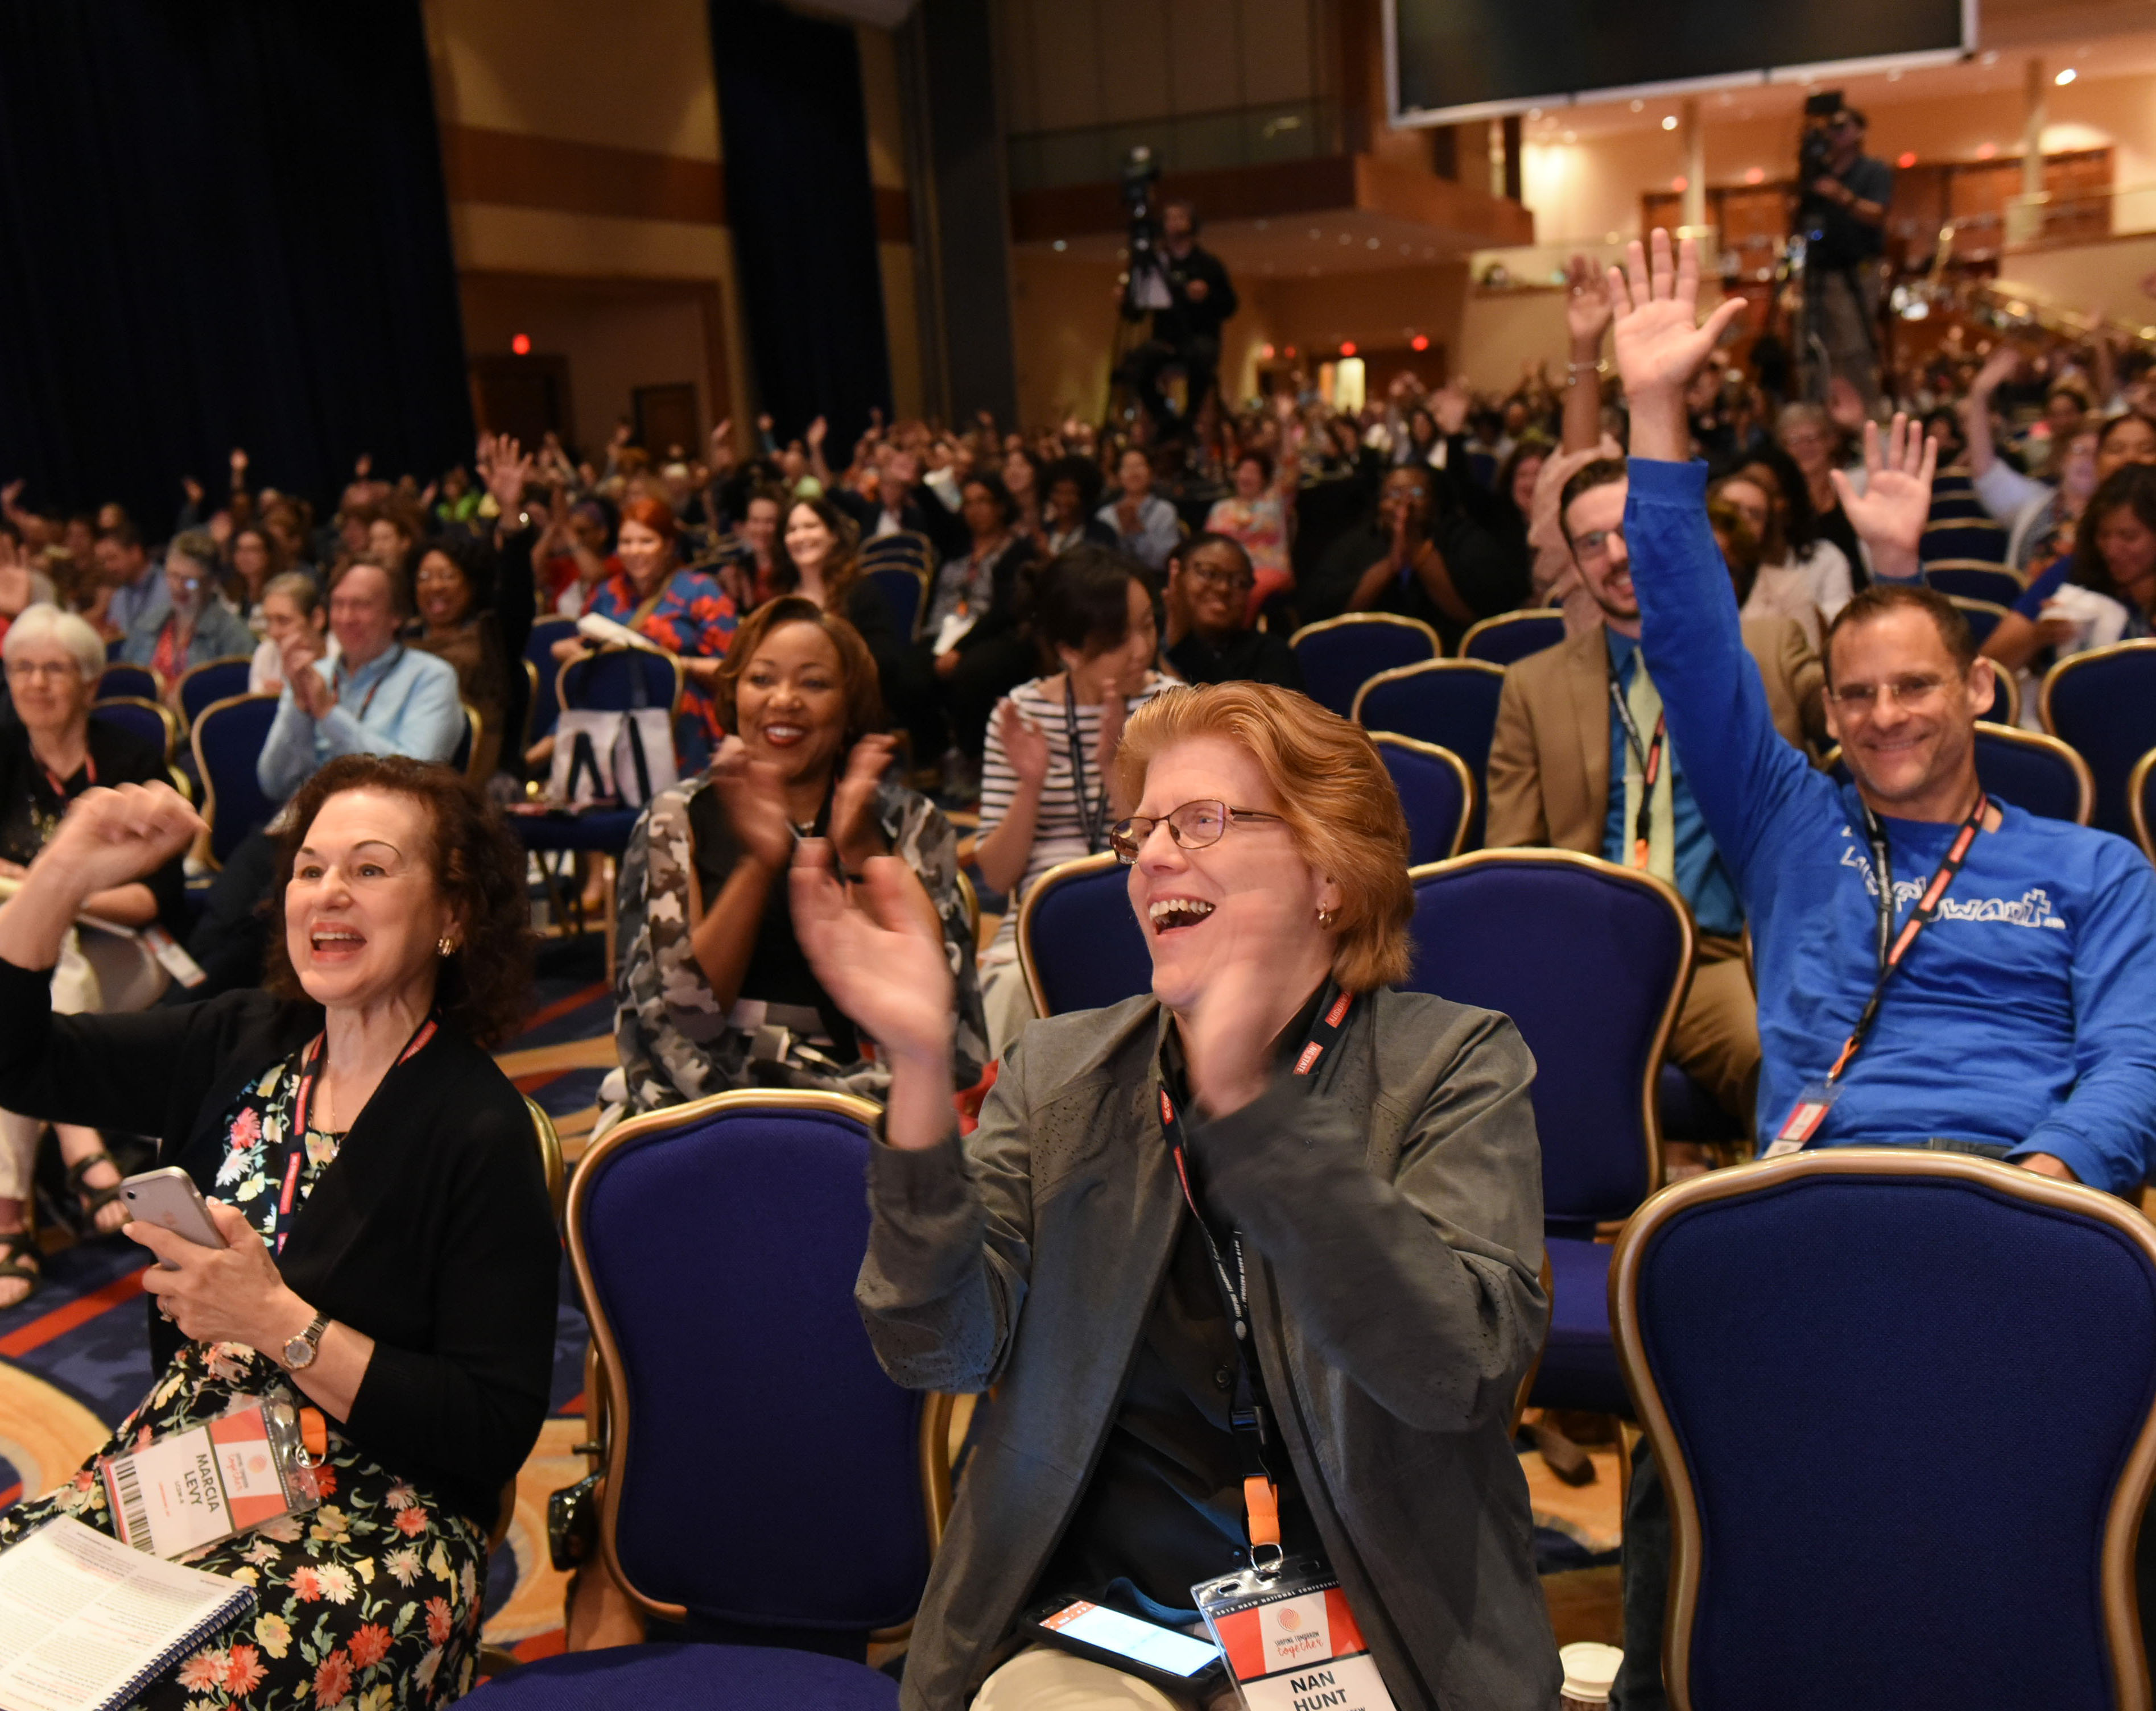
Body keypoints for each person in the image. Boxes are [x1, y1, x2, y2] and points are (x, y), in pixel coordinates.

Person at [1604, 232, 2156, 1706]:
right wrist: (1654, 419)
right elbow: (1685, 641)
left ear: (1975, 690)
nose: (1883, 715)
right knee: (1683, 1353)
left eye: (1913, 685)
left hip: (2011, 1193)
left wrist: (2051, 1173)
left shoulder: (2088, 868)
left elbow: (2133, 1059)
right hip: (1811, 1186)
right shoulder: (1790, 825)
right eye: (1853, 695)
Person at [789, 679, 1558, 1710]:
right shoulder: (1063, 1070)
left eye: (1201, 821)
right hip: (1106, 1630)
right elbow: (939, 1347)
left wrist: (1255, 1114)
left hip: (1373, 1622)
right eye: (1141, 829)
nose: (1151, 856)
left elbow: (1452, 1372)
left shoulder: (1451, 1066)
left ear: (1330, 870)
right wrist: (922, 1076)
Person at [0, 755, 557, 1707]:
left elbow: (488, 1428)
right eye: (308, 866)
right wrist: (60, 873)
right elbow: (18, 1060)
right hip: (187, 1466)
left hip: (379, 1517)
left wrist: (278, 1320)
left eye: (372, 867)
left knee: (174, 1689)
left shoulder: (480, 1127)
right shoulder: (239, 1040)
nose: (328, 889)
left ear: (453, 910)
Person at [1487, 456, 1826, 1129]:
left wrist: (1896, 558)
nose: (1615, 554)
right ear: (1577, 566)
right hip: (1594, 958)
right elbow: (1512, 861)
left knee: (1787, 1072)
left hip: (1718, 958)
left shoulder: (1768, 644)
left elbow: (1873, 721)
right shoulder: (1534, 685)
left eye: (1628, 528)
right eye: (1591, 542)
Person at [614, 596, 985, 1113]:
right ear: (735, 692)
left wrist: (860, 847)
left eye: (813, 683)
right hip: (708, 1095)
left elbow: (936, 1000)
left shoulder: (907, 821)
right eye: (761, 679)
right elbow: (691, 1017)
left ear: (850, 706)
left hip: (876, 1094)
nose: (783, 700)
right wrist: (759, 864)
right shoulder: (676, 816)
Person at [0, 607, 188, 1304]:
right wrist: (50, 897)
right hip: (42, 959)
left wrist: (50, 889)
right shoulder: (0, 754)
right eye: (23, 667)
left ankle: (7, 1218)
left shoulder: (129, 760)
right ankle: (79, 1150)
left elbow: (154, 898)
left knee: (39, 950)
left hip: (131, 953)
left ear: (88, 680)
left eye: (54, 667)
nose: (37, 683)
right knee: (23, 974)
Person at [974, 549, 1169, 1053]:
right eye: (1119, 639)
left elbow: (1167, 844)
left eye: (1148, 627)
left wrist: (1112, 763)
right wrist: (1031, 784)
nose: (1141, 649)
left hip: (1151, 898)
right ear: (1070, 650)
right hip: (1041, 913)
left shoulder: (1171, 708)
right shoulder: (1021, 714)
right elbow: (996, 876)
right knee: (1017, 991)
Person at [552, 497, 737, 741]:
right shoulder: (607, 592)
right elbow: (577, 642)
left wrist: (669, 664)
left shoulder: (700, 591)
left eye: (646, 541)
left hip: (679, 715)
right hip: (611, 709)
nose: (634, 551)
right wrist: (573, 652)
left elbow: (730, 670)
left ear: (669, 545)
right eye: (626, 542)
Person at [1961, 340, 2156, 571]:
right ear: (2063, 459)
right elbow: (1985, 469)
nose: (2086, 459)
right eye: (2079, 450)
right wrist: (1979, 394)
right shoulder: (2032, 502)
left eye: (2096, 453)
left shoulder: (2126, 523)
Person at [1304, 463, 1524, 651]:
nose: (1404, 503)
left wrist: (1417, 550)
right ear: (1379, 504)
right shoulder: (1358, 542)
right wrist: (1391, 565)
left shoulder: (1461, 537)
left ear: (1435, 504)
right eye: (1393, 494)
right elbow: (1326, 611)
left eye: (1417, 493)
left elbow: (1479, 615)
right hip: (1367, 655)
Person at [1981, 462, 2156, 682]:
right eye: (2103, 535)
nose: (2111, 550)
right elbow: (1989, 665)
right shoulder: (2073, 571)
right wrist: (2037, 637)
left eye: (2128, 537)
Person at [1794, 104, 1893, 410]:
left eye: (1842, 128)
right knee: (1810, 344)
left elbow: (1878, 213)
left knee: (1853, 347)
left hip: (1857, 269)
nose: (1834, 136)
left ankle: (1866, 414)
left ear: (1860, 132)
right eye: (1830, 130)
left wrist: (1842, 196)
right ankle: (1819, 412)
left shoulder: (1873, 171)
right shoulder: (1816, 175)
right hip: (1819, 270)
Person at [1118, 199, 1238, 433]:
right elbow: (1137, 314)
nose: (1173, 224)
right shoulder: (1157, 265)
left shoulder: (1208, 265)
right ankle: (1164, 418)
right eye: (1169, 219)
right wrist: (1125, 302)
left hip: (1199, 336)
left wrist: (1207, 295)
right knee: (1135, 365)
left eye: (1180, 218)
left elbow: (1230, 306)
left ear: (1192, 224)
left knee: (1200, 358)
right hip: (1165, 339)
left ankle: (1190, 417)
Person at [1710, 469, 1852, 651]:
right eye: (1732, 508)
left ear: (1767, 529)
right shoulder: (1681, 580)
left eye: (1754, 514)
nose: (1741, 519)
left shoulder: (1790, 589)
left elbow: (1810, 665)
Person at [1162, 532, 1303, 692]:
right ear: (1176, 574)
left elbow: (1240, 713)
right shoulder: (1141, 646)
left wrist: (1183, 645)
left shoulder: (1271, 655)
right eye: (1209, 574)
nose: (1224, 588)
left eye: (1240, 582)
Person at [120, 530, 257, 688]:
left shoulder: (233, 634)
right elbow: (127, 682)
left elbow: (234, 695)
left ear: (212, 583)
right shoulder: (148, 623)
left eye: (190, 581)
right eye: (172, 576)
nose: (178, 587)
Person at [1202, 449, 1296, 618]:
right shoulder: (1221, 508)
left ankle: (1235, 636)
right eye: (1243, 471)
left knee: (1244, 589)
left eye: (1253, 472)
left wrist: (1286, 426)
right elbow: (1206, 545)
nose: (1246, 476)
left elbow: (1291, 470)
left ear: (1264, 479)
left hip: (1267, 568)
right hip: (1225, 570)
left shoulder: (1273, 503)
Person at [1097, 447, 1182, 572]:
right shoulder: (1105, 515)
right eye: (1127, 467)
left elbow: (1166, 562)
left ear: (1151, 472)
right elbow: (1099, 562)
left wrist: (1137, 532)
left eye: (1139, 466)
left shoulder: (1165, 511)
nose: (1134, 472)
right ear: (1119, 475)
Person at [249, 571, 333, 696]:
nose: (273, 633)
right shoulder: (266, 653)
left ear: (317, 619)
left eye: (283, 621)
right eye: (268, 621)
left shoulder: (345, 658)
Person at [96, 522, 162, 638]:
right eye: (105, 562)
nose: (108, 567)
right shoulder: (118, 597)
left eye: (113, 558)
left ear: (135, 553)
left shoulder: (170, 587)